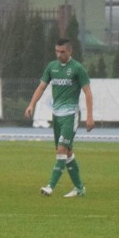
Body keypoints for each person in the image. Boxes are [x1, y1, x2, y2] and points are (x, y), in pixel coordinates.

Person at [25, 38, 94, 198]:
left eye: (62, 51)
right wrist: (31, 104)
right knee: (67, 152)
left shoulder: (77, 68)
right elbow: (41, 87)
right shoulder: (52, 67)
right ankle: (79, 188)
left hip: (71, 115)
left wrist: (90, 117)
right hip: (56, 116)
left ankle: (50, 186)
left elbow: (88, 92)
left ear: (70, 51)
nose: (59, 54)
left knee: (61, 150)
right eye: (57, 51)